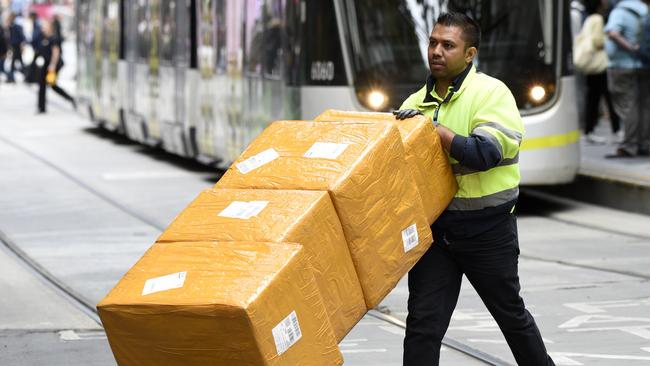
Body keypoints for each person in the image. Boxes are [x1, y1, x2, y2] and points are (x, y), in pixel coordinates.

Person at [393, 13, 555, 366]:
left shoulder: (490, 94)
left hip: (487, 232)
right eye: (433, 43)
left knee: (512, 319)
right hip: (436, 235)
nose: (436, 51)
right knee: (422, 325)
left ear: (470, 54)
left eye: (447, 45)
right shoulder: (412, 104)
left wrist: (434, 131)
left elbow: (484, 153)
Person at [604, 0, 649, 157]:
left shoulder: (620, 12)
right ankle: (644, 143)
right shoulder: (645, 10)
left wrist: (631, 48)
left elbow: (613, 33)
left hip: (622, 65)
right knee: (644, 106)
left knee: (627, 105)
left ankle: (629, 145)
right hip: (644, 65)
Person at [581, 0, 622, 144]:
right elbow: (598, 41)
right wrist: (609, 38)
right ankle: (616, 130)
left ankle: (589, 131)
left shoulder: (588, 19)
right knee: (609, 97)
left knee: (592, 99)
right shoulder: (598, 19)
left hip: (591, 65)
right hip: (600, 66)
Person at [36, 20, 75, 114]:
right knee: (43, 85)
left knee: (52, 85)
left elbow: (56, 53)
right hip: (45, 64)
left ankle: (70, 98)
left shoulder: (54, 38)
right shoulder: (43, 37)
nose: (43, 28)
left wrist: (52, 65)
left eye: (45, 26)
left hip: (52, 65)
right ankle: (41, 107)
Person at [6, 12, 25, 83]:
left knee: (15, 62)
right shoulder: (11, 27)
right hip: (13, 46)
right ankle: (25, 74)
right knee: (18, 62)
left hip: (16, 46)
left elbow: (22, 37)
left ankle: (12, 77)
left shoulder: (16, 26)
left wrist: (22, 45)